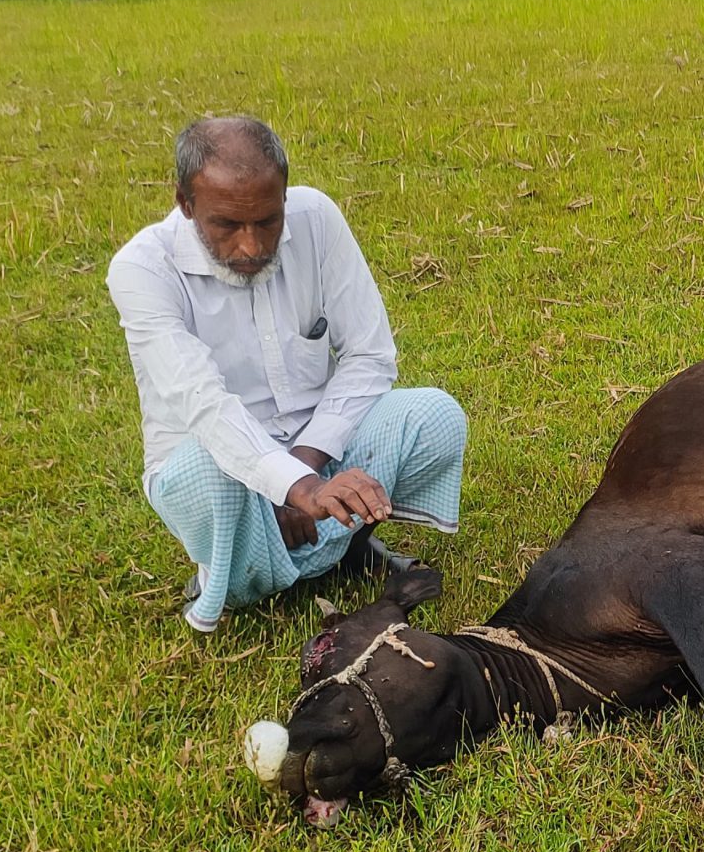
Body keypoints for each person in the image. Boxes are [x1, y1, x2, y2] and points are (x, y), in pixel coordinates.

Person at [107, 116, 466, 632]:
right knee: (199, 475)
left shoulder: (315, 217)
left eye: (268, 221)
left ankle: (338, 549)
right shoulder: (141, 268)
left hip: (318, 450)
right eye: (227, 226)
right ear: (186, 204)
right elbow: (204, 406)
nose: (251, 247)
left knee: (433, 415)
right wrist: (291, 487)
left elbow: (370, 355)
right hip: (217, 463)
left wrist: (306, 471)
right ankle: (234, 578)